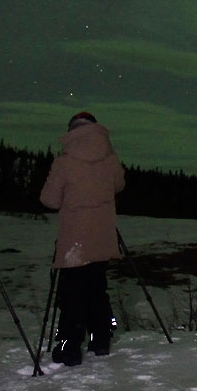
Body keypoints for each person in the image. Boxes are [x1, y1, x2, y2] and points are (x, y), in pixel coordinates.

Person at [39, 111, 126, 365]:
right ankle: (100, 339)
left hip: (74, 241)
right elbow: (118, 186)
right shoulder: (110, 159)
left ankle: (69, 346)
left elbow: (49, 200)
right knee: (97, 287)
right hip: (103, 235)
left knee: (70, 292)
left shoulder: (64, 162)